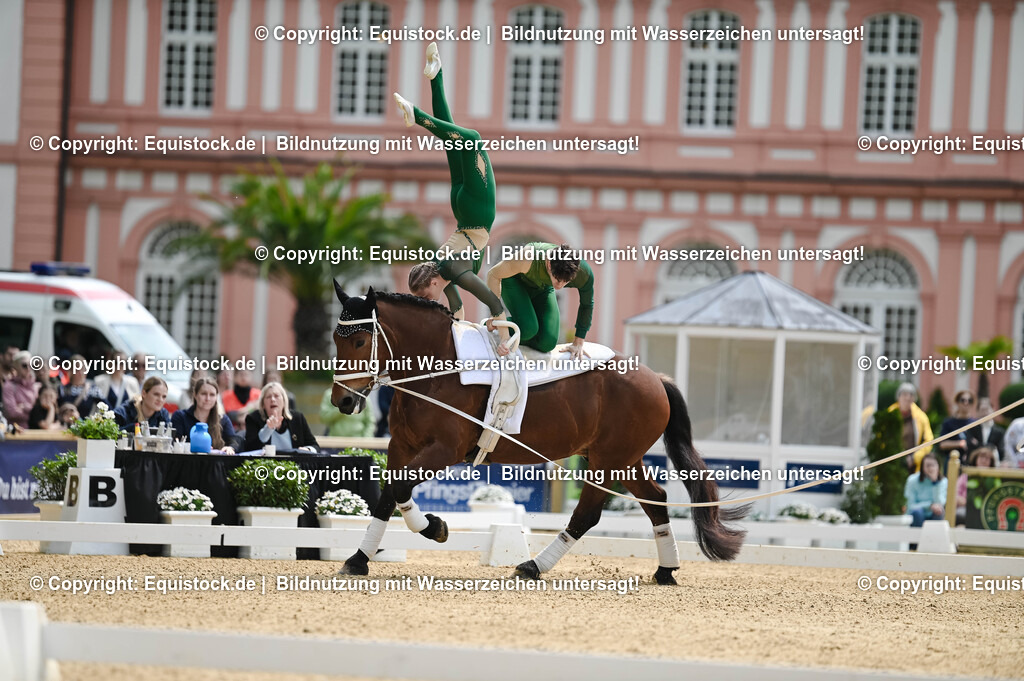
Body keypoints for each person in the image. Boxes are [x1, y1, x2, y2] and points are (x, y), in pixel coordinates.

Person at [395, 43, 507, 335]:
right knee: (455, 140)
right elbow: (459, 312)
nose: (429, 300)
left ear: (433, 282)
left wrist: (497, 325)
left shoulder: (453, 274)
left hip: (476, 214)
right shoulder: (442, 271)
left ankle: (417, 115)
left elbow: (494, 304)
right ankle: (436, 76)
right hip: (462, 209)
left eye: (426, 296)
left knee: (469, 139)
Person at [485, 242, 595, 359]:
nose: (560, 286)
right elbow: (493, 274)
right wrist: (497, 319)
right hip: (515, 282)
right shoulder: (528, 257)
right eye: (557, 280)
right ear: (548, 264)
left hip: (543, 287)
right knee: (528, 329)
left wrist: (578, 342)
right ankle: (496, 327)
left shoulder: (584, 273)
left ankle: (518, 331)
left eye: (566, 282)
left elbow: (587, 304)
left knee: (548, 343)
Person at [242, 382, 319, 453]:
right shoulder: (253, 419)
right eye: (268, 397)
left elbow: (315, 446)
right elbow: (250, 449)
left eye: (276, 396)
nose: (272, 399)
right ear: (262, 404)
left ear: (284, 401)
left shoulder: (297, 418)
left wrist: (307, 450)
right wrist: (268, 429)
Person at [171, 376, 237, 454]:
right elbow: (174, 443)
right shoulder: (180, 417)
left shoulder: (223, 419)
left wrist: (230, 448)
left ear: (216, 397)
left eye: (212, 395)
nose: (207, 398)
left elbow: (234, 441)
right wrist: (198, 447)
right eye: (203, 394)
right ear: (195, 395)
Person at [887, 383, 933, 472]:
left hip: (913, 464)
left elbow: (929, 440)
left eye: (911, 395)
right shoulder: (890, 414)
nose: (907, 398)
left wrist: (915, 458)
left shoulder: (921, 417)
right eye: (904, 394)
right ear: (898, 397)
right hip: (892, 462)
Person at [937, 390, 981, 474]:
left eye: (969, 400)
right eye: (963, 400)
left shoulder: (976, 423)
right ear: (957, 402)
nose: (966, 403)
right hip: (951, 461)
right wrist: (959, 443)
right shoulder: (949, 422)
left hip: (970, 463)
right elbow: (942, 444)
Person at [904, 452, 947, 528]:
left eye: (933, 465)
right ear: (922, 467)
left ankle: (934, 538)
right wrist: (929, 505)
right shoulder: (912, 480)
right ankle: (917, 539)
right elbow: (910, 505)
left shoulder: (943, 481)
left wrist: (935, 482)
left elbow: (940, 503)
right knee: (917, 512)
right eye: (928, 465)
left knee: (939, 511)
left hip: (934, 515)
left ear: (938, 466)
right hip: (917, 516)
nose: (931, 468)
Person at [955, 445, 996, 526]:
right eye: (981, 457)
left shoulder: (994, 479)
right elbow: (955, 495)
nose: (984, 461)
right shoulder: (965, 476)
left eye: (987, 459)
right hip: (966, 509)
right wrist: (967, 502)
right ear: (976, 459)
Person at [2, 350, 40, 429]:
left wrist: (24, 407)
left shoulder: (37, 385)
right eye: (24, 365)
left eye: (31, 365)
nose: (28, 368)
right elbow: (11, 412)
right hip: (17, 432)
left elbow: (42, 413)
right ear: (16, 366)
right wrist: (33, 412)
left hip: (38, 431)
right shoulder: (9, 386)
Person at [968, 397, 1005, 463]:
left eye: (987, 409)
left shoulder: (999, 432)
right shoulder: (972, 429)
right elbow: (970, 447)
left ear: (993, 410)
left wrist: (978, 445)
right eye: (982, 410)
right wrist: (991, 447)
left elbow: (1001, 450)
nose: (985, 413)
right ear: (978, 412)